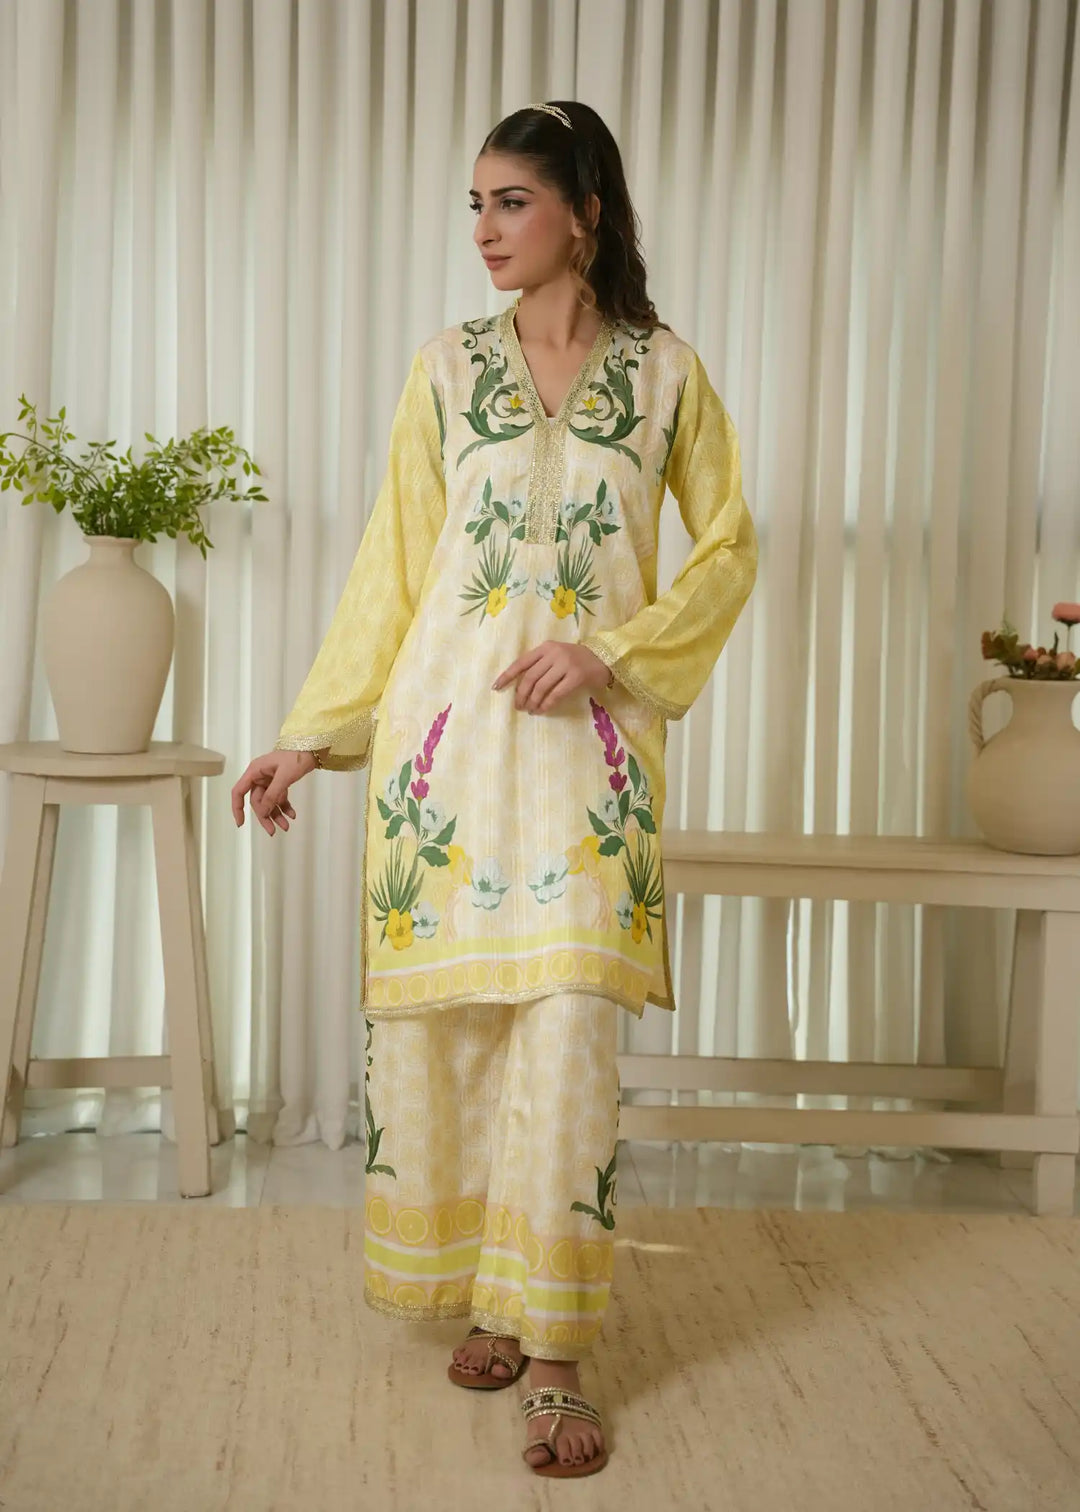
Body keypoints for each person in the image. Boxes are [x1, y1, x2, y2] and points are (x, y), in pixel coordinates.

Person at [231, 99, 757, 1480]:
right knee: (463, 1039)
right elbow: (392, 572)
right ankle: (487, 1296)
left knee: (569, 1040)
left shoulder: (666, 378)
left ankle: (558, 1355)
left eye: (511, 200)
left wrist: (611, 651)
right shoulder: (445, 371)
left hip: (589, 769)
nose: (483, 228)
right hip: (448, 763)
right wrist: (310, 736)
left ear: (585, 210)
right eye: (475, 203)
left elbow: (728, 552)